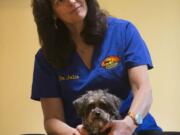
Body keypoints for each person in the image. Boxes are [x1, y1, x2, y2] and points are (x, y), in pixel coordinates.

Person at [31, 0, 162, 135]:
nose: (71, 1)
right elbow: (52, 119)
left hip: (136, 128)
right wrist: (76, 134)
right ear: (51, 11)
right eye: (60, 0)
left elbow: (143, 89)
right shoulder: (47, 57)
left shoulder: (123, 32)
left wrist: (129, 123)